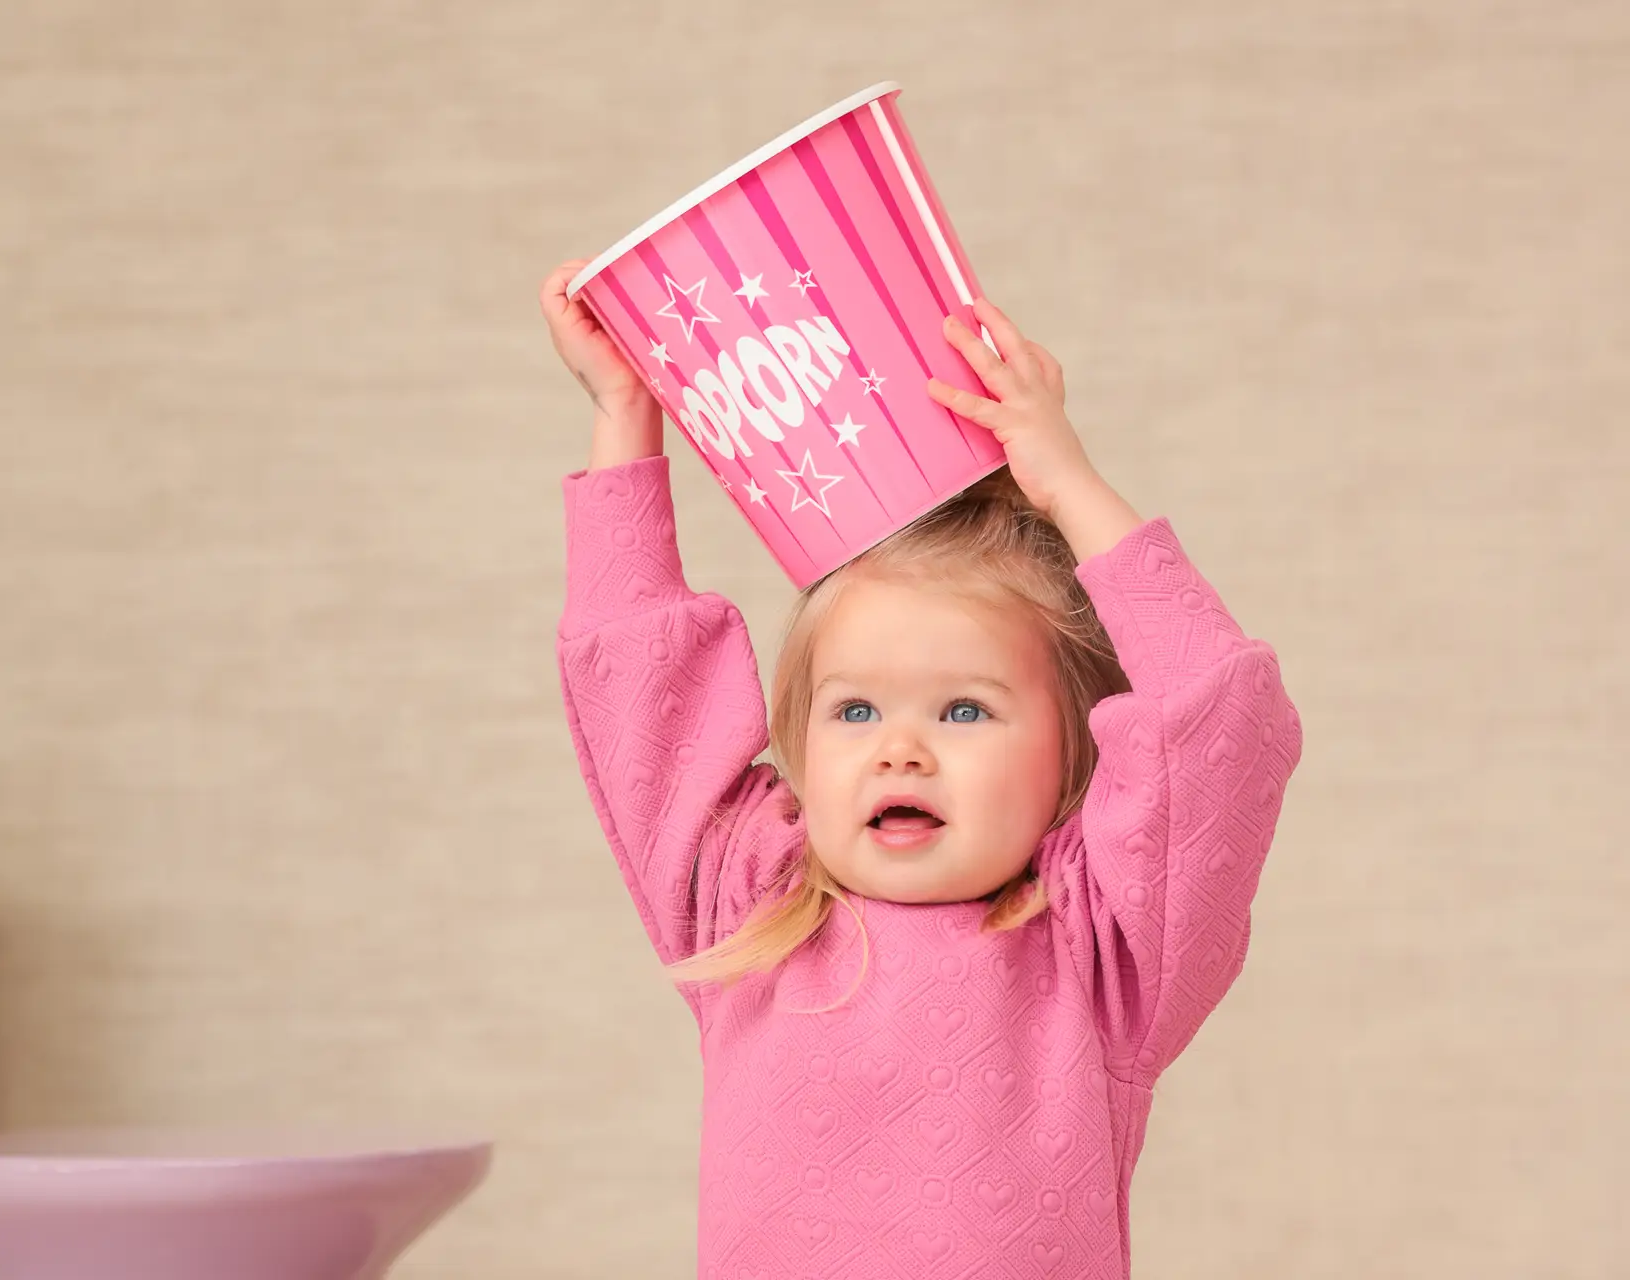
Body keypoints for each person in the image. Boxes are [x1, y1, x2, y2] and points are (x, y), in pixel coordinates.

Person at [539, 257, 1303, 1278]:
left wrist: (1069, 484)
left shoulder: (1102, 949)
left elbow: (1218, 723)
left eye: (963, 708)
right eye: (854, 708)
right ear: (800, 744)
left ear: (1077, 757)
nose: (902, 747)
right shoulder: (745, 905)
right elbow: (638, 681)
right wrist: (625, 414)